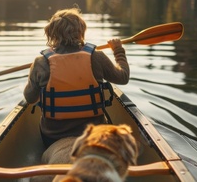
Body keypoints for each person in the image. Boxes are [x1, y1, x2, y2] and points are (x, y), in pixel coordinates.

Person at [23, 8, 130, 148]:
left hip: (53, 136)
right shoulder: (96, 57)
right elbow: (123, 77)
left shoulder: (41, 62)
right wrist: (118, 50)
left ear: (51, 33)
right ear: (81, 31)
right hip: (95, 134)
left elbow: (30, 98)